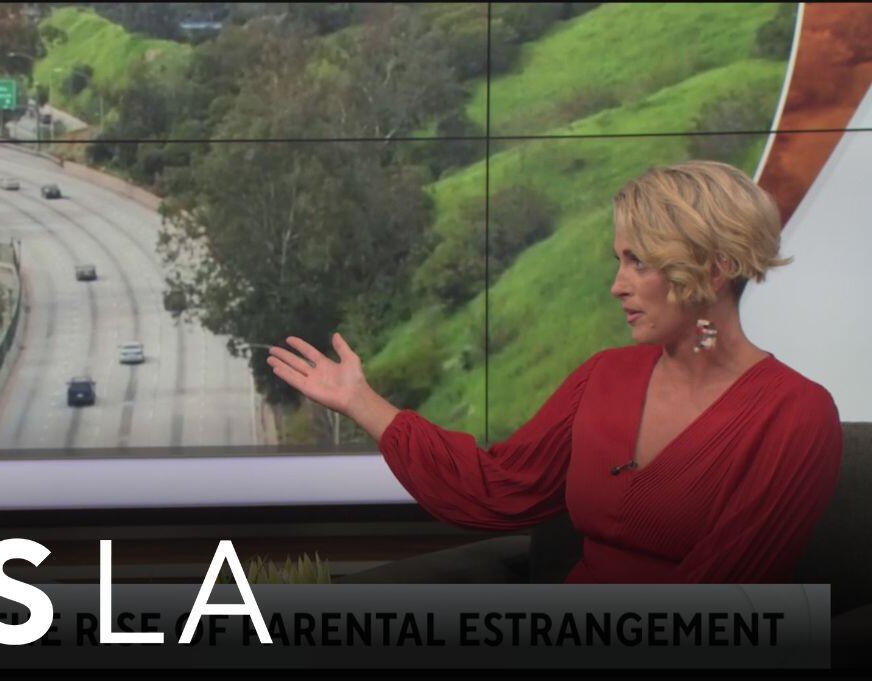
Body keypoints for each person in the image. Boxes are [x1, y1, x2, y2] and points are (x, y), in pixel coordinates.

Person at [268, 160, 843, 583]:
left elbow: (724, 609)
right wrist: (360, 400)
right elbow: (497, 491)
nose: (616, 286)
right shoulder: (604, 377)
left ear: (716, 270)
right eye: (618, 260)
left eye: (638, 262)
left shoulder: (795, 415)